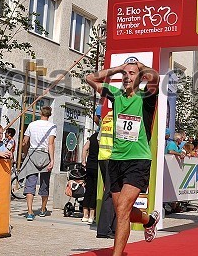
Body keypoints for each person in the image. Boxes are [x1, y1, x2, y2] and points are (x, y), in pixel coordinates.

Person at [85, 59, 160, 255]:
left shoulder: (146, 96)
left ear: (140, 77)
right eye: (124, 74)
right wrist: (118, 69)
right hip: (116, 160)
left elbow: (155, 77)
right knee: (121, 210)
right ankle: (149, 220)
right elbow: (90, 78)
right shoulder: (115, 94)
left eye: (132, 74)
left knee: (124, 208)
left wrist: (141, 67)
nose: (127, 77)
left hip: (138, 160)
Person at [19, 106, 57, 221]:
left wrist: (27, 153)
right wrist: (52, 160)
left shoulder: (32, 125)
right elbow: (50, 144)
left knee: (30, 183)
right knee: (44, 183)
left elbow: (25, 142)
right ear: (50, 114)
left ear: (40, 113)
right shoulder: (52, 126)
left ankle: (30, 211)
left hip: (32, 154)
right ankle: (42, 208)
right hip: (45, 155)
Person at [96, 108, 117, 239]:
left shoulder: (107, 117)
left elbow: (99, 139)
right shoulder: (118, 118)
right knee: (110, 193)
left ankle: (113, 227)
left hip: (103, 157)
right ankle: (105, 229)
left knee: (112, 191)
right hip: (113, 158)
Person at [81, 128, 99, 224]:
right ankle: (92, 215)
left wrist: (83, 161)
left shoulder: (92, 137)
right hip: (98, 166)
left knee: (88, 189)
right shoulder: (103, 138)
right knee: (95, 190)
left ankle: (85, 215)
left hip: (90, 166)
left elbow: (84, 148)